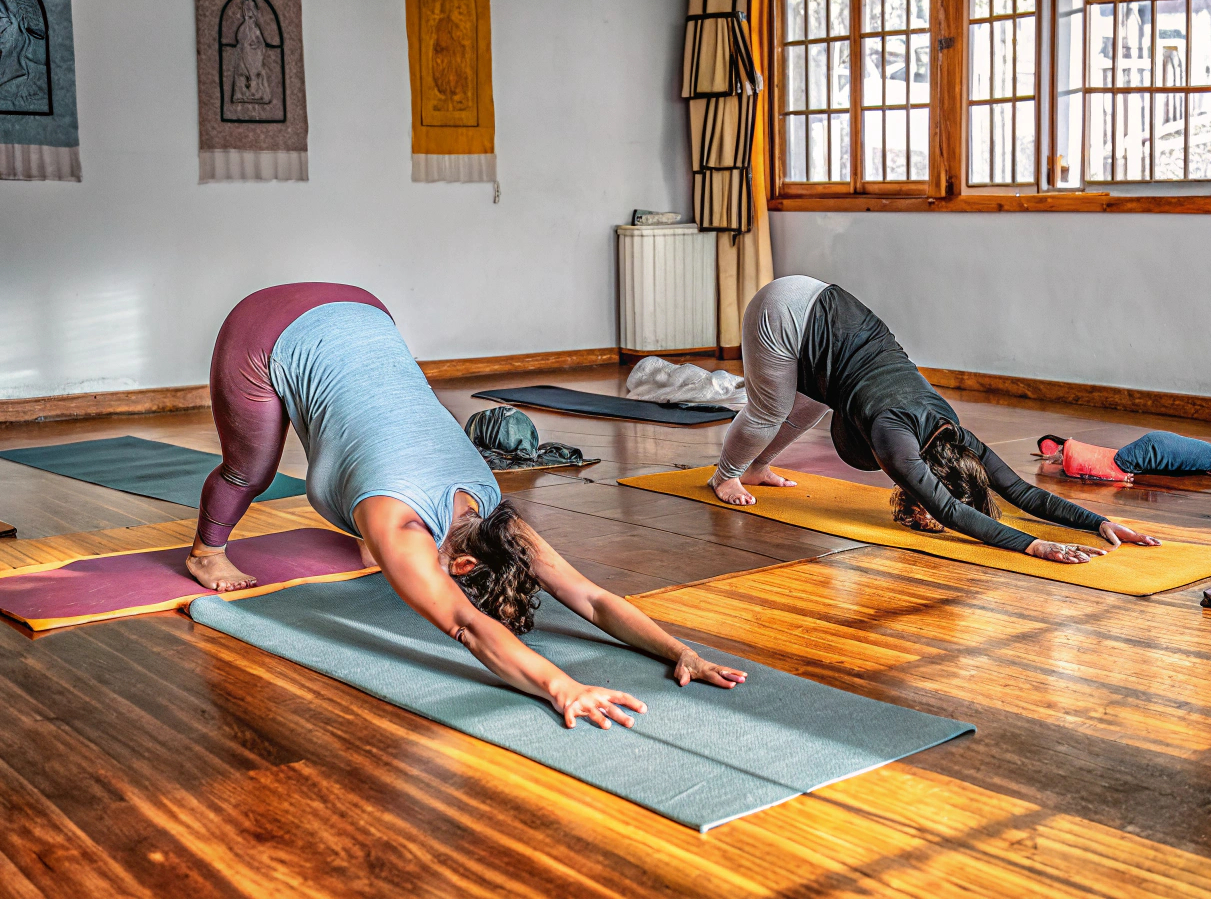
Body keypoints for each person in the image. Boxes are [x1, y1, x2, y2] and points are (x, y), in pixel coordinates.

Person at [189, 283, 745, 729]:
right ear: (459, 564)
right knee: (251, 469)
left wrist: (681, 651)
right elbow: (468, 626)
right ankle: (205, 551)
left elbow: (594, 601)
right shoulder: (401, 524)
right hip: (265, 329)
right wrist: (563, 687)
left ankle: (349, 497)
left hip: (361, 308)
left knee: (355, 452)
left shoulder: (492, 510)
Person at [709, 277, 1161, 564]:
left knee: (807, 408)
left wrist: (1096, 522)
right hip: (784, 312)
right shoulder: (894, 438)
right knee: (770, 409)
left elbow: (1022, 492)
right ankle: (726, 476)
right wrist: (1036, 546)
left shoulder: (955, 436)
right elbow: (951, 509)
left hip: (826, 309)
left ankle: (755, 466)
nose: (933, 518)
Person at [1036, 431, 1211, 484]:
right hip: (1149, 446)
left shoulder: (1122, 461)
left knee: (1122, 462)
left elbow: (1103, 472)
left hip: (1144, 450)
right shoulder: (1124, 459)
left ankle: (1061, 451)